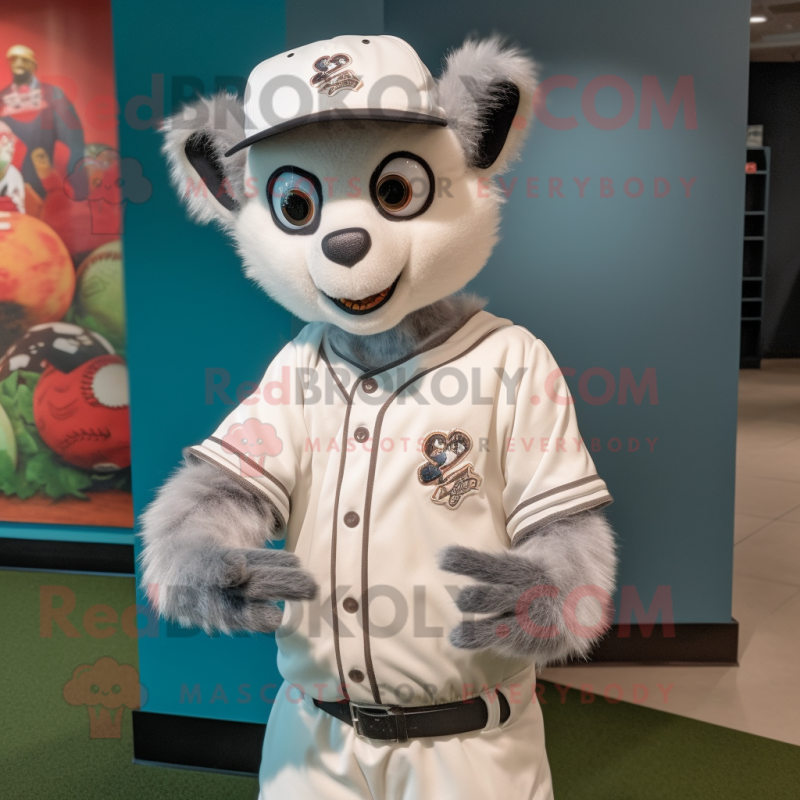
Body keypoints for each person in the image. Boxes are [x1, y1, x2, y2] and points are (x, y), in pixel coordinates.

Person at [0, 44, 86, 200]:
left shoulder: (52, 93)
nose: (18, 63)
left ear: (34, 65)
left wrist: (79, 187)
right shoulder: (2, 99)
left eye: (24, 60)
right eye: (14, 60)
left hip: (44, 182)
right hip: (10, 186)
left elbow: (75, 139)